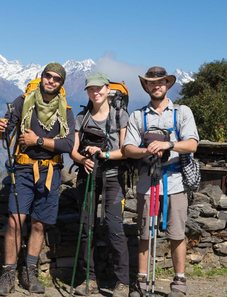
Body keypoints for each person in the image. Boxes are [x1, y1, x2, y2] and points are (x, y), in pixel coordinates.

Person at [0, 62, 75, 296]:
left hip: (51, 172)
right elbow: (5, 131)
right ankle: (8, 274)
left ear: (61, 84)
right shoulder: (22, 101)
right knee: (15, 221)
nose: (51, 81)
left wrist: (37, 141)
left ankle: (30, 271)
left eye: (56, 78)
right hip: (24, 169)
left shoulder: (66, 111)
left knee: (39, 224)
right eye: (47, 76)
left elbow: (68, 144)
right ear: (41, 78)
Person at [123, 67, 199, 297]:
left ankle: (179, 282)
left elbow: (193, 144)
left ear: (167, 85)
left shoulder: (182, 112)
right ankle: (142, 282)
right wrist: (146, 150)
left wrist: (169, 145)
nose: (156, 86)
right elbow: (127, 148)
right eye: (151, 83)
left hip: (175, 181)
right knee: (145, 233)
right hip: (147, 180)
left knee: (177, 233)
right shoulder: (138, 116)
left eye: (161, 82)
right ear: (146, 87)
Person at [70, 72, 130, 297]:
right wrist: (83, 159)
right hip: (87, 178)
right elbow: (73, 151)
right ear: (87, 92)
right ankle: (89, 279)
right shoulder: (82, 117)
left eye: (99, 88)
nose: (96, 92)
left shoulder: (120, 115)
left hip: (113, 177)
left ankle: (122, 282)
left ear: (108, 89)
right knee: (87, 230)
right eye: (91, 89)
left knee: (115, 229)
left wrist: (102, 153)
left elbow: (125, 150)